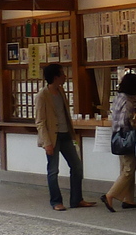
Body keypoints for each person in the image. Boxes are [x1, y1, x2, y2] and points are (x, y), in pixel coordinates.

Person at [35, 63, 93, 211]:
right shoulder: (42, 95)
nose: (65, 76)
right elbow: (40, 121)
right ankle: (56, 201)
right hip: (52, 138)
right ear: (55, 77)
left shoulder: (61, 91)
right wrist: (46, 142)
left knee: (77, 166)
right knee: (53, 170)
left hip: (65, 133)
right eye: (62, 74)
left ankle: (77, 199)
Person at [103, 73, 136, 212]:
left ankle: (129, 199)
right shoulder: (127, 102)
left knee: (124, 168)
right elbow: (125, 122)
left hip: (117, 137)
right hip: (126, 137)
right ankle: (110, 195)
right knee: (128, 169)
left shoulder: (118, 98)